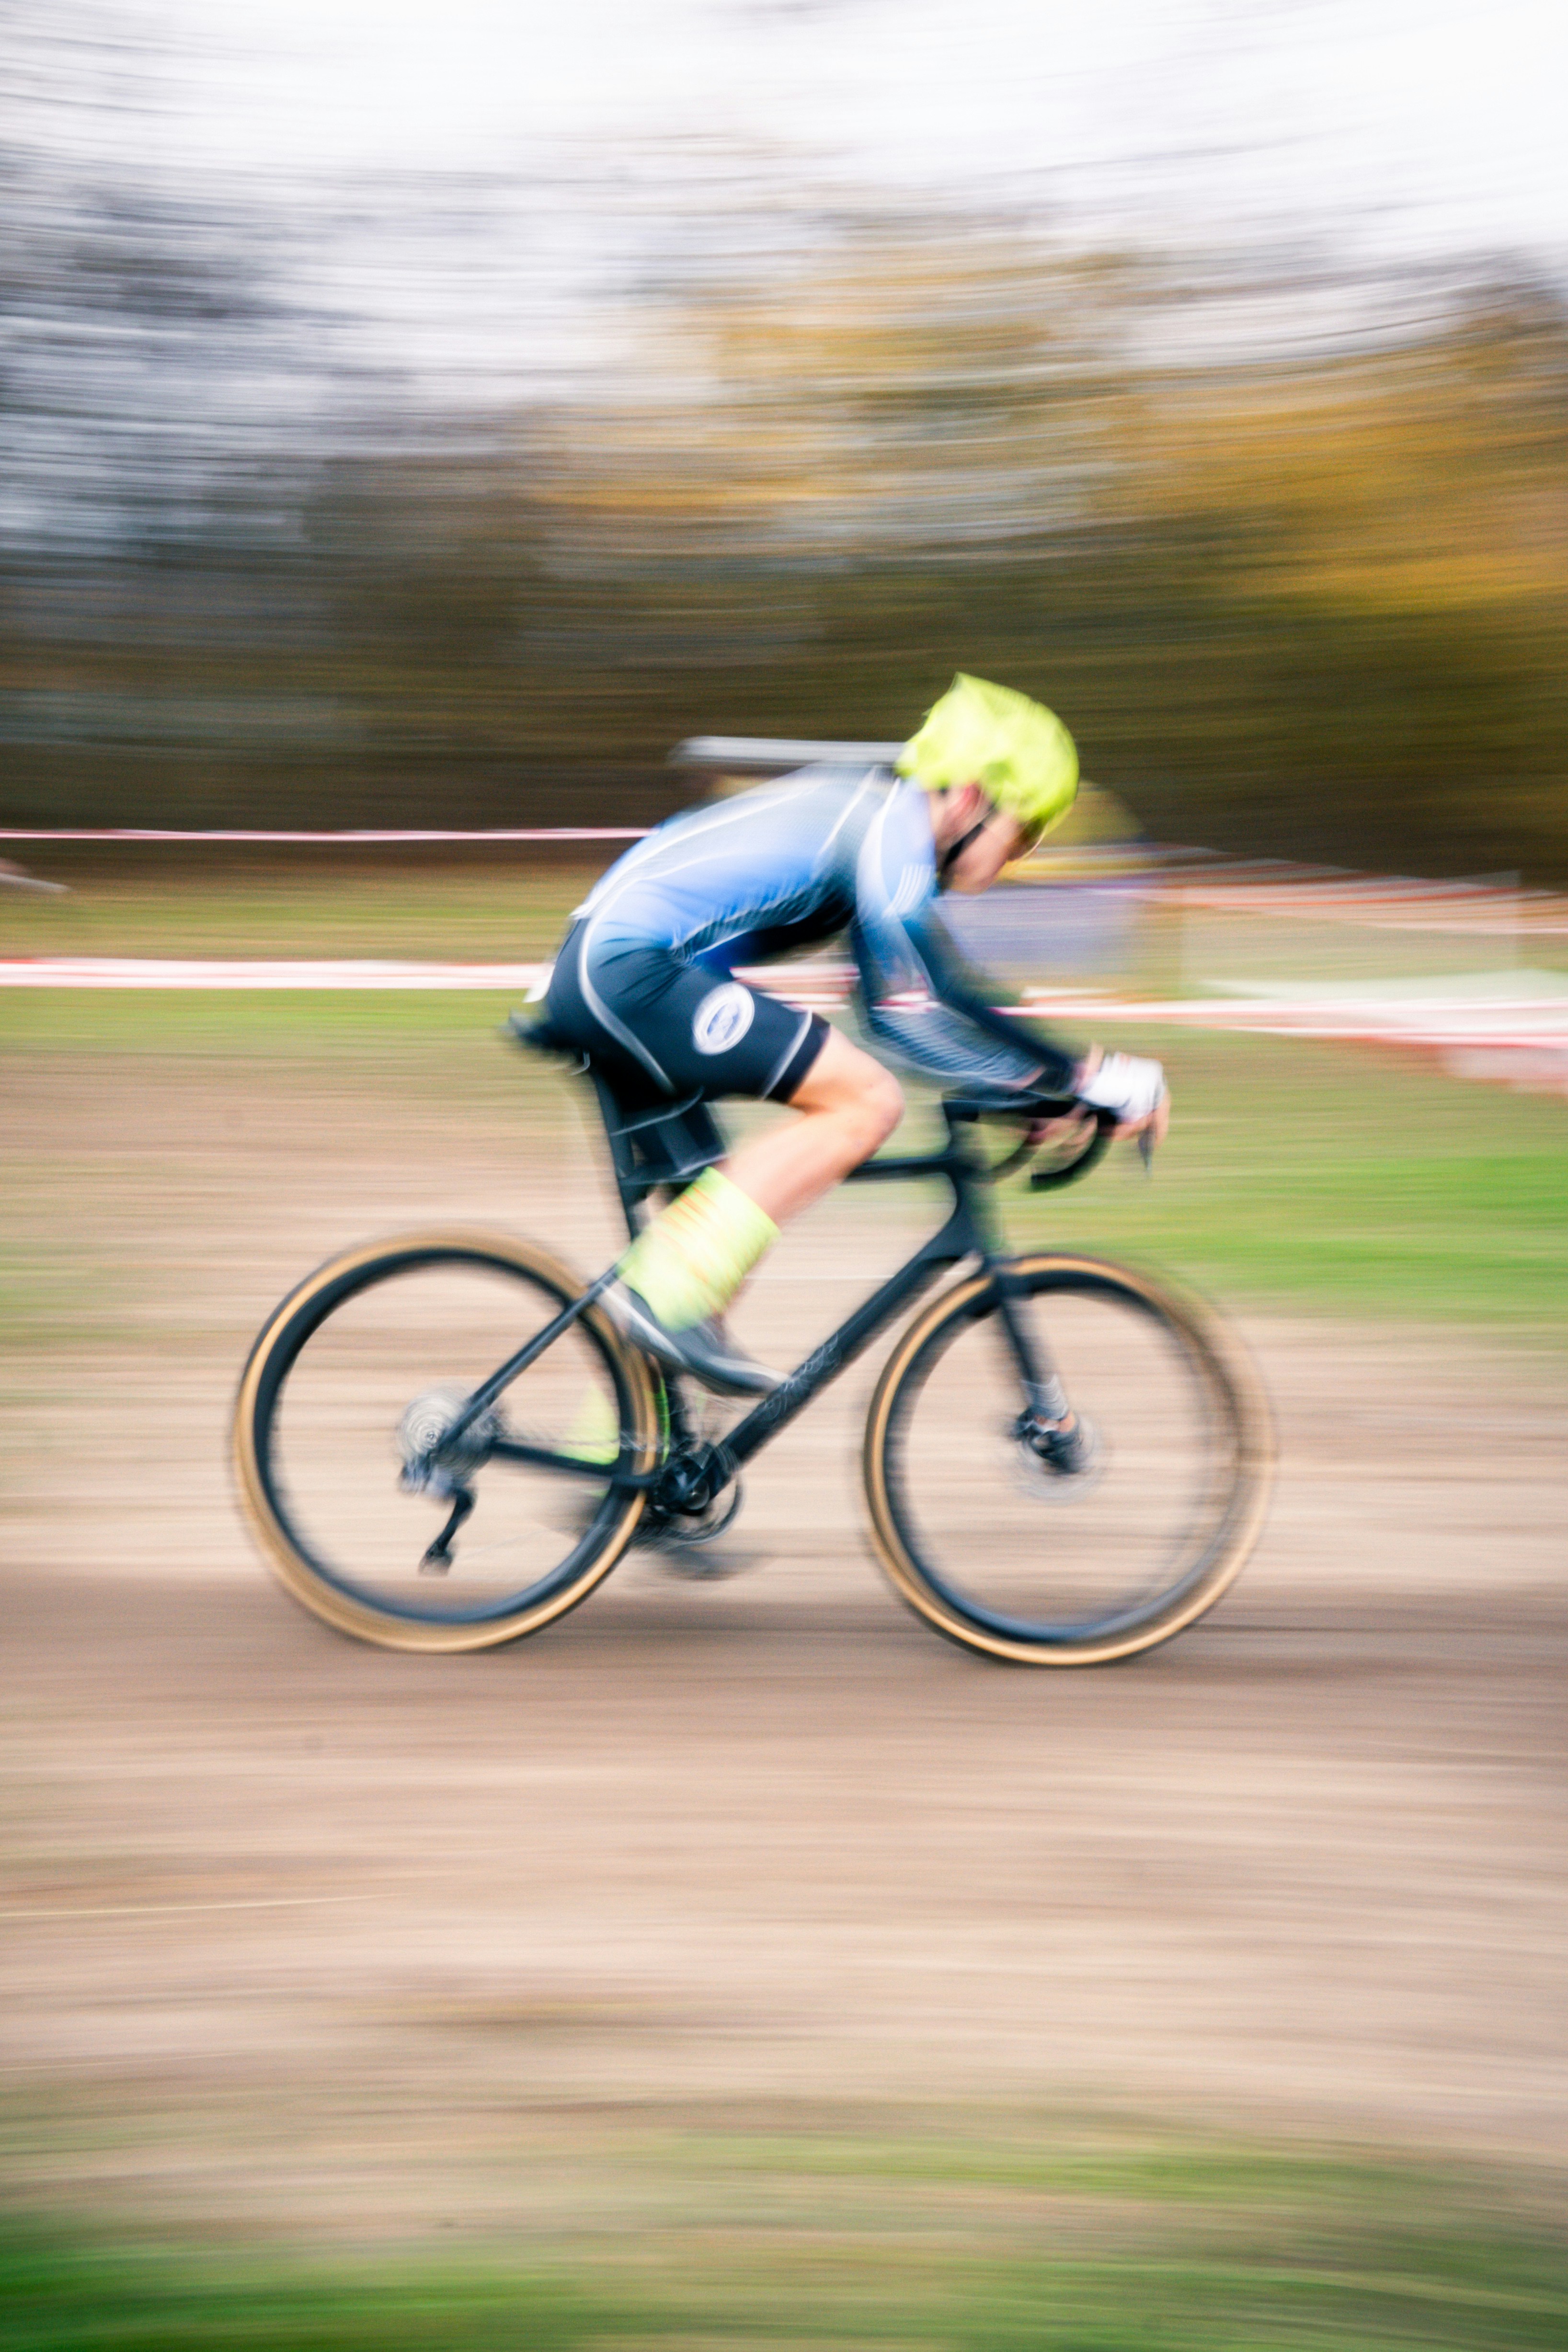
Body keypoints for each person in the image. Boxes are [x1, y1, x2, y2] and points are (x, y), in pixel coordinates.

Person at [543, 673, 1168, 1397]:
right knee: (866, 1102)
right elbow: (914, 1010)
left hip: (620, 976)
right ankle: (657, 1311)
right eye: (1022, 833)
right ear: (970, 797)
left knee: (702, 1264)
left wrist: (1036, 1086)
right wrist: (1075, 1080)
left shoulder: (879, 824)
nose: (1015, 859)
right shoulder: (887, 824)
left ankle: (622, 1461)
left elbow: (910, 1004)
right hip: (629, 972)